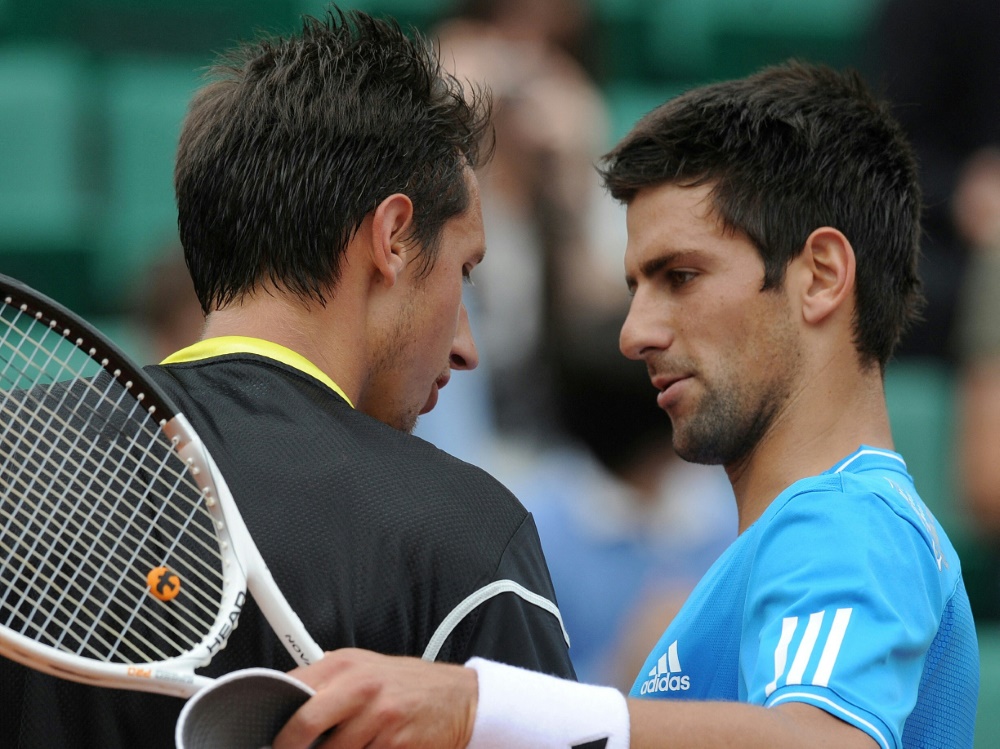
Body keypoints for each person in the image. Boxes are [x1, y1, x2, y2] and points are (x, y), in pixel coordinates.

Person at [264, 61, 980, 749]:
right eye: (636, 285)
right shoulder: (792, 544)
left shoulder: (844, 521)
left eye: (681, 276)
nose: (634, 333)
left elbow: (823, 744)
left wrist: (471, 706)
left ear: (821, 276)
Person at [0, 8, 575, 748]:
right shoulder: (468, 536)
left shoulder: (12, 452)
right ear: (393, 237)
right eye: (463, 271)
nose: (466, 345)